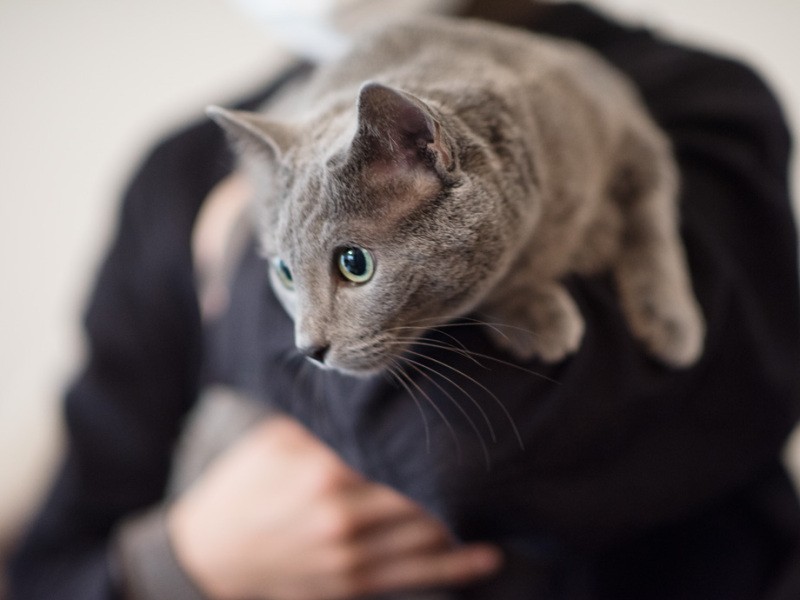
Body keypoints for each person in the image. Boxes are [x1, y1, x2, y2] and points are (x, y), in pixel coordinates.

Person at [8, 0, 800, 598]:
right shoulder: (186, 169)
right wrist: (183, 560)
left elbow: (465, 455)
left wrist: (248, 253)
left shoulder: (686, 98)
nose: (308, 344)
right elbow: (50, 567)